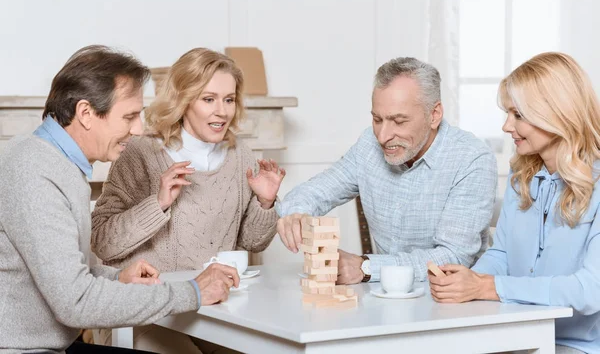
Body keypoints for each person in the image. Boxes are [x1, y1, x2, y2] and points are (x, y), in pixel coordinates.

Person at [0, 45, 239, 354]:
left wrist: (117, 277)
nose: (138, 129)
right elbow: (76, 301)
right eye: (129, 116)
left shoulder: (56, 163)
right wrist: (193, 291)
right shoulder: (33, 171)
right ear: (86, 113)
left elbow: (64, 271)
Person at [91, 47, 284, 352]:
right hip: (143, 312)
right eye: (209, 99)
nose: (222, 111)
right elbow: (101, 242)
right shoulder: (140, 151)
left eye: (229, 99)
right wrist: (159, 204)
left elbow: (252, 243)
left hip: (214, 309)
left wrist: (265, 203)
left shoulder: (240, 155)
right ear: (183, 100)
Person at [428, 52, 600, 354]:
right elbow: (501, 254)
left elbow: (590, 290)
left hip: (578, 346)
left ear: (557, 114)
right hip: (516, 334)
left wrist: (489, 287)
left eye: (518, 115)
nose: (507, 126)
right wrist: (469, 281)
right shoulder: (522, 177)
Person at [276, 57, 498, 284]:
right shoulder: (368, 145)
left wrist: (366, 267)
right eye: (377, 119)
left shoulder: (472, 159)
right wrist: (296, 213)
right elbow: (316, 190)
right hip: (386, 298)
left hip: (454, 303)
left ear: (434, 115)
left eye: (399, 121)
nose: (383, 136)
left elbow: (453, 257)